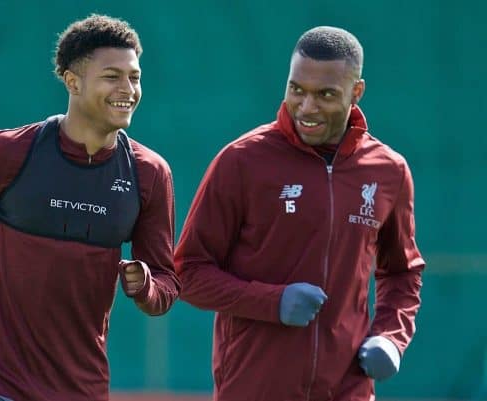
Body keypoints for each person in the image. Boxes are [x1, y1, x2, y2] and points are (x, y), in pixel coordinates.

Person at [0, 14, 180, 401]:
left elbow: (166, 282)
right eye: (112, 76)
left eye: (135, 77)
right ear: (72, 81)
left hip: (83, 391)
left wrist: (147, 288)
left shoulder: (150, 173)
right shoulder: (6, 152)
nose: (128, 89)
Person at [174, 26, 424, 401]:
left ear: (356, 93)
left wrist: (390, 338)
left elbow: (402, 273)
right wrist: (272, 302)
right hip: (253, 387)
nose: (307, 107)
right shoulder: (241, 161)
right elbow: (188, 272)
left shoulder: (389, 171)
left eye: (325, 95)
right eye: (297, 90)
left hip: (348, 388)